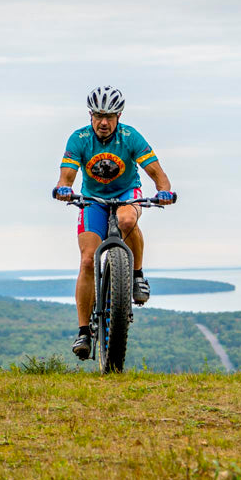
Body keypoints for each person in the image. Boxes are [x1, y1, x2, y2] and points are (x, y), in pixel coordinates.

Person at [52, 85, 176, 360]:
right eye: (98, 116)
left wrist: (164, 191)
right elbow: (67, 176)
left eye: (109, 116)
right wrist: (63, 188)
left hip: (125, 193)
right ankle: (84, 331)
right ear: (90, 115)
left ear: (119, 115)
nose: (104, 122)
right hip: (92, 199)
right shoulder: (79, 139)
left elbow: (157, 172)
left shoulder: (130, 137)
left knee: (127, 217)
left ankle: (137, 277)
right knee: (87, 260)